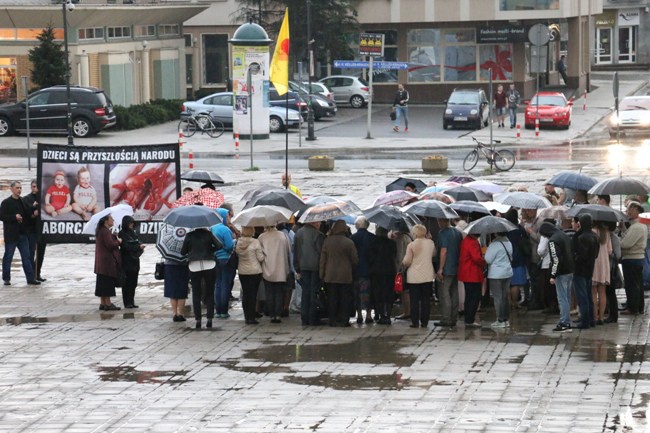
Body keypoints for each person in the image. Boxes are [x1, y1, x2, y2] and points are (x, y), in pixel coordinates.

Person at [320, 220, 358, 327]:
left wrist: (321, 274)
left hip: (330, 275)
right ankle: (344, 319)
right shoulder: (349, 242)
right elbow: (355, 259)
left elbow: (323, 260)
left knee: (332, 298)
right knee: (344, 298)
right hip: (345, 276)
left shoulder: (327, 241)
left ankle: (332, 319)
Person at [181, 227, 221, 329]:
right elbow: (220, 245)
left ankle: (198, 319)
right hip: (209, 264)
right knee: (210, 292)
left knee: (196, 293)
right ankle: (209, 319)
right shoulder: (209, 234)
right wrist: (210, 249)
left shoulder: (189, 235)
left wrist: (191, 251)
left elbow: (182, 252)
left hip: (194, 265)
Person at [1, 181, 39, 286]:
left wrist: (33, 209)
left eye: (20, 188)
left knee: (26, 257)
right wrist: (14, 217)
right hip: (11, 235)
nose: (19, 190)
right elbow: (2, 216)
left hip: (23, 234)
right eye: (17, 188)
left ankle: (30, 278)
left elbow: (27, 212)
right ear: (12, 189)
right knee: (8, 256)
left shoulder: (22, 201)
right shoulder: (6, 202)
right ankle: (6, 278)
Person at [539, 221, 574, 331]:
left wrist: (553, 275)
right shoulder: (563, 235)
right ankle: (567, 320)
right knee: (567, 297)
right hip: (570, 270)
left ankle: (564, 322)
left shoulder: (553, 241)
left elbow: (555, 259)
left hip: (561, 273)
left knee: (562, 298)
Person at [402, 224, 436, 328]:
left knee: (414, 300)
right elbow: (434, 254)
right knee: (426, 300)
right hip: (427, 275)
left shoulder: (411, 245)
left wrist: (403, 262)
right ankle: (425, 321)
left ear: (415, 233)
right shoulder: (431, 243)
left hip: (414, 276)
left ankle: (415, 322)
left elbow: (407, 262)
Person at [294, 221, 325, 326]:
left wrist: (297, 267)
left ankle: (304, 317)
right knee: (313, 293)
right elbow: (321, 252)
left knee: (305, 292)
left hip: (303, 266)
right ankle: (312, 318)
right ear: (314, 222)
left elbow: (296, 251)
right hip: (315, 267)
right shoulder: (318, 234)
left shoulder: (298, 233)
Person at [572, 214, 600, 329]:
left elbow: (580, 256)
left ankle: (585, 321)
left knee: (582, 296)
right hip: (590, 268)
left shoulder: (581, 237)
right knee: (588, 295)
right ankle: (591, 319)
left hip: (580, 270)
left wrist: (574, 258)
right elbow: (596, 254)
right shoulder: (595, 236)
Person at [620, 202, 648, 315]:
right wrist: (623, 230)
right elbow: (629, 237)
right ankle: (638, 306)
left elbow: (626, 243)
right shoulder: (637, 225)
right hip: (636, 258)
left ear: (637, 210)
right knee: (637, 284)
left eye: (630, 210)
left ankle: (633, 307)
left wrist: (619, 243)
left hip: (632, 258)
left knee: (632, 285)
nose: (628, 213)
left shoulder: (637, 227)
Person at [259, 225, 291, 323]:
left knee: (269, 292)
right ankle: (278, 313)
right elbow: (289, 250)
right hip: (281, 267)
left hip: (267, 267)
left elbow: (259, 254)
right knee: (279, 292)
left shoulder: (262, 237)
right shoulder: (283, 236)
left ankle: (272, 313)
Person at [434, 218, 463, 327]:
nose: (438, 223)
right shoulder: (457, 232)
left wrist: (440, 268)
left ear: (443, 221)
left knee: (445, 293)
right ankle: (454, 318)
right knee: (454, 292)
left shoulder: (443, 233)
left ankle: (446, 318)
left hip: (447, 268)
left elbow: (443, 251)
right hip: (456, 266)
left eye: (439, 221)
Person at [236, 226, 265, 325]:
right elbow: (260, 258)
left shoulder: (239, 242)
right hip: (254, 271)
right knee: (253, 295)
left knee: (246, 294)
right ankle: (251, 317)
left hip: (242, 271)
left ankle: (246, 316)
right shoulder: (255, 242)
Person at [368, 226, 397, 325]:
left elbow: (370, 258)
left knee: (378, 294)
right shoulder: (392, 243)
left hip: (376, 272)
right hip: (389, 271)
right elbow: (395, 256)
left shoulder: (373, 243)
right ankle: (388, 316)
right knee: (389, 294)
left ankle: (381, 316)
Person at [485, 232, 513, 328]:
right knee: (504, 296)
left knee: (498, 297)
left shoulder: (494, 244)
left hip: (496, 274)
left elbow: (488, 259)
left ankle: (500, 320)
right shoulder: (509, 243)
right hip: (507, 272)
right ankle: (506, 319)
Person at [211, 208, 235, 319]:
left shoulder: (211, 229)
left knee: (217, 284)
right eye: (227, 216)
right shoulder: (225, 230)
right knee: (225, 284)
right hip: (225, 259)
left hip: (214, 259)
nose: (228, 219)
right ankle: (224, 311)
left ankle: (218, 311)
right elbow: (230, 246)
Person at [94, 214, 121, 310]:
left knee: (101, 282)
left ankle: (103, 302)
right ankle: (108, 304)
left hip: (101, 262)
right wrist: (119, 242)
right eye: (111, 219)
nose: (113, 220)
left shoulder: (101, 231)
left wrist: (113, 236)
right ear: (106, 221)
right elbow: (110, 245)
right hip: (106, 262)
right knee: (106, 283)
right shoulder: (105, 231)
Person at [457, 232, 485, 327]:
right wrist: (483, 261)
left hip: (465, 272)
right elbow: (476, 258)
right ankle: (470, 319)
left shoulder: (465, 240)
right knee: (475, 297)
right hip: (473, 273)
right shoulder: (473, 242)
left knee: (469, 296)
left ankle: (467, 318)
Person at [351, 216, 375, 324]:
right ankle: (369, 315)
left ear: (357, 226)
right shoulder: (373, 238)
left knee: (356, 293)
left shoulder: (352, 238)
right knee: (368, 293)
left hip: (356, 270)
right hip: (369, 270)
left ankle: (359, 315)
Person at [118, 215, 145, 309]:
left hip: (135, 260)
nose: (131, 225)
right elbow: (125, 247)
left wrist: (139, 246)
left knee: (133, 282)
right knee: (126, 282)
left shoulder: (133, 233)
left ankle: (132, 301)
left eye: (132, 223)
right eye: (130, 223)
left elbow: (138, 242)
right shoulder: (122, 233)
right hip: (126, 261)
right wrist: (138, 247)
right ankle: (127, 302)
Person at [23, 180, 46, 282]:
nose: (34, 188)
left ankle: (37, 273)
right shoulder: (26, 199)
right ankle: (31, 275)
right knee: (31, 252)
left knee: (41, 253)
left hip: (42, 229)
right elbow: (25, 214)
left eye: (36, 187)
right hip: (31, 230)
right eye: (33, 186)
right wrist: (33, 211)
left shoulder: (43, 197)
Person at [591, 221, 612, 325]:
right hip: (604, 264)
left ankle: (595, 316)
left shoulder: (591, 232)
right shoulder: (606, 232)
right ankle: (602, 317)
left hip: (594, 264)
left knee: (593, 292)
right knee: (602, 292)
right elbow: (610, 251)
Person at [163, 254, 190, 323]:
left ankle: (175, 313)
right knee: (182, 290)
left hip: (170, 266)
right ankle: (181, 313)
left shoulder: (169, 244)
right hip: (183, 265)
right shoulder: (184, 243)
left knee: (172, 290)